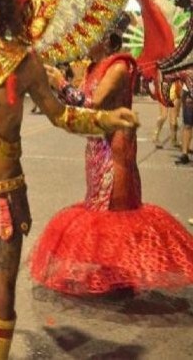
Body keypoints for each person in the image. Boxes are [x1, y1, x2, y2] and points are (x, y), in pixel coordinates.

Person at [0, 0, 137, 359]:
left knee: (1, 296)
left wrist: (105, 120)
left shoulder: (21, 62)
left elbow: (60, 114)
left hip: (1, 195)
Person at [32, 33, 193, 295]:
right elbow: (79, 109)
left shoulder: (118, 67)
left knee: (117, 210)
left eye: (89, 39)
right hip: (96, 146)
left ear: (106, 39)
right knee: (97, 210)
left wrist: (61, 84)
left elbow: (92, 103)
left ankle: (122, 275)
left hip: (115, 147)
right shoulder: (92, 68)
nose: (83, 44)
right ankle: (108, 272)